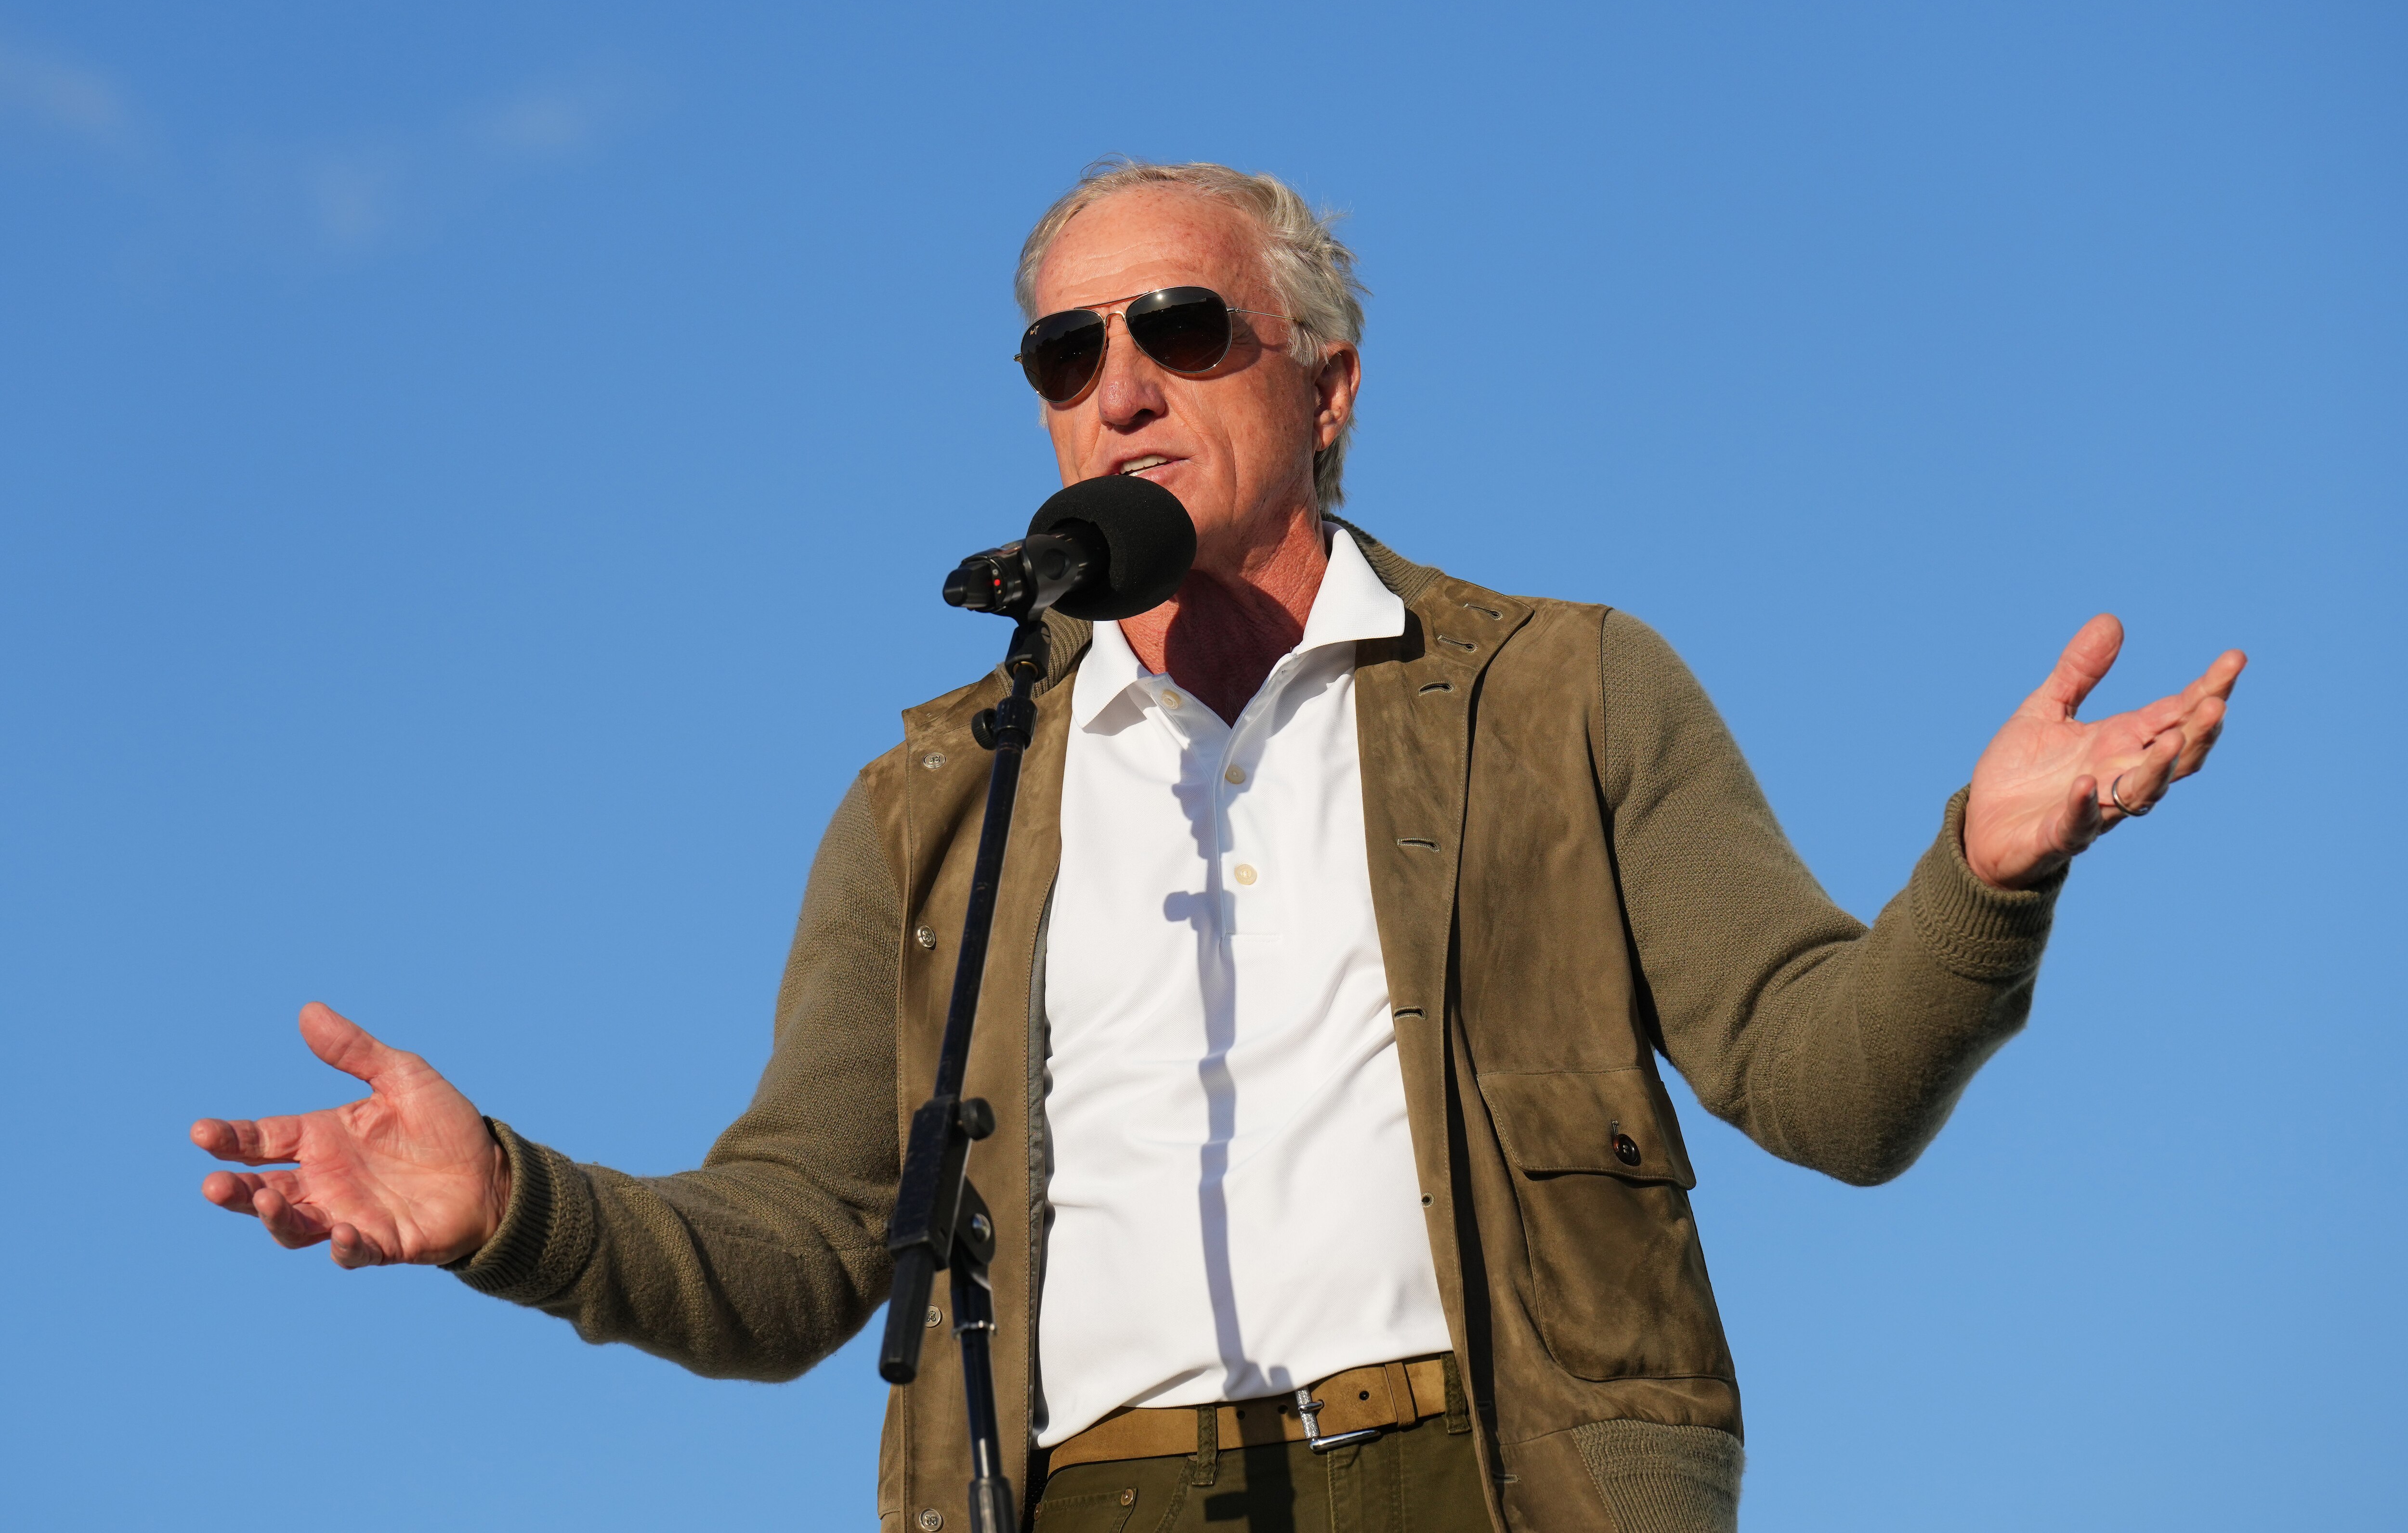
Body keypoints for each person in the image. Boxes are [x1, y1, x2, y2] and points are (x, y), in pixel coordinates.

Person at [193, 160, 2244, 1533]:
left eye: (1179, 330)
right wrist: (513, 1208)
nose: (1118, 388)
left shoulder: (1560, 693)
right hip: (1075, 1498)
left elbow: (1828, 1083)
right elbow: (813, 1249)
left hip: (1478, 1479)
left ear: (1325, 385)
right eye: (1063, 353)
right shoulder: (942, 799)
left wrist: (1981, 877)